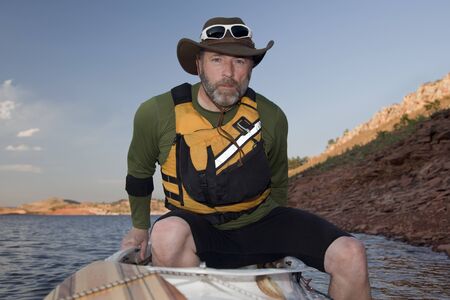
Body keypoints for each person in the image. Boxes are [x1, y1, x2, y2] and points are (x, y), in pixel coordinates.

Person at [121, 17, 371, 299]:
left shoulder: (272, 116)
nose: (228, 72)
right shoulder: (156, 112)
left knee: (351, 254)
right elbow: (139, 174)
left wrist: (277, 247)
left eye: (240, 61)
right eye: (217, 60)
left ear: (251, 67)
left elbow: (278, 185)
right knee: (165, 234)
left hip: (260, 222)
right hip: (197, 226)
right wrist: (140, 229)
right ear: (198, 64)